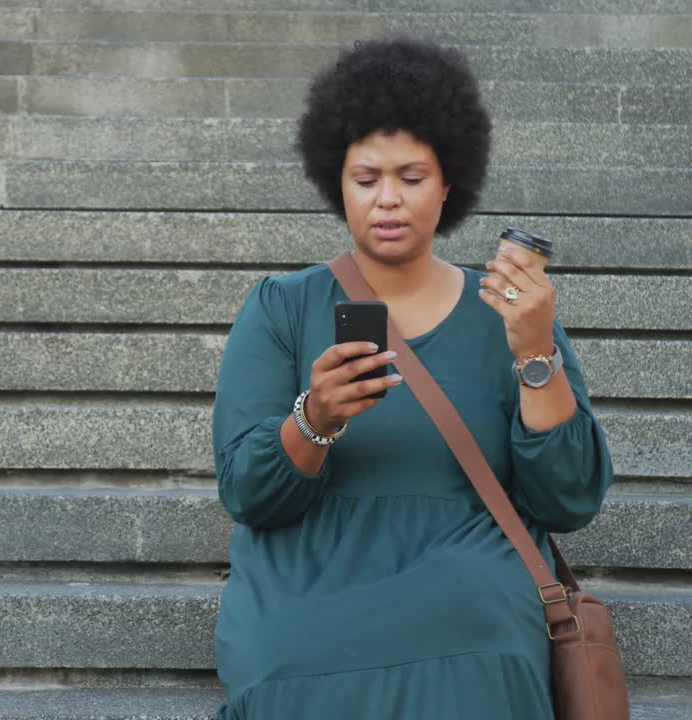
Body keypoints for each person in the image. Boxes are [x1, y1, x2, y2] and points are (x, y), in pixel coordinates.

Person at [211, 36, 614, 718]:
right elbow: (248, 492)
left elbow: (567, 501)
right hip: (307, 575)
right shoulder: (282, 307)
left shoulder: (508, 315)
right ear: (336, 183)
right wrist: (317, 419)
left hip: (467, 568)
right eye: (366, 179)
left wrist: (535, 354)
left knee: (483, 642)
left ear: (450, 180)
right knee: (292, 656)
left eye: (412, 177)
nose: (388, 200)